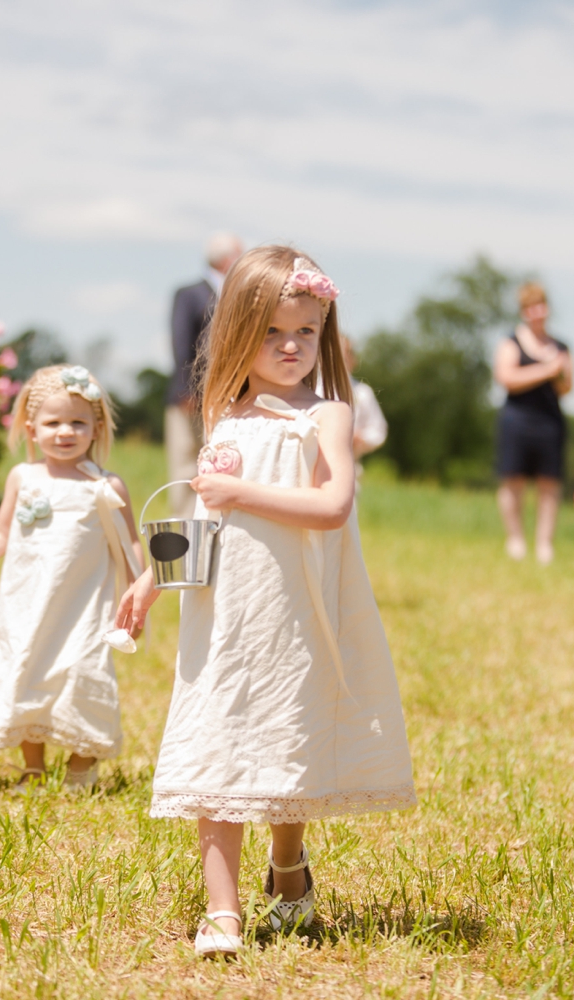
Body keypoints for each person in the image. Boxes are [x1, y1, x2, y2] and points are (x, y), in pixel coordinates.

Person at [117, 245, 415, 957]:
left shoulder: (327, 417)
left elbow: (333, 505)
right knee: (217, 739)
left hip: (294, 612)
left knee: (286, 733)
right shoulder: (224, 419)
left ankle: (287, 868)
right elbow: (205, 523)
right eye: (272, 333)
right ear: (236, 337)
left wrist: (241, 491)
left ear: (324, 334)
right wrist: (151, 579)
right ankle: (223, 911)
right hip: (225, 616)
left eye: (305, 333)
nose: (290, 347)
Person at [0, 365, 143, 792]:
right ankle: (33, 767)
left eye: (77, 422)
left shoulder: (104, 485)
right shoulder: (23, 478)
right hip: (27, 603)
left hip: (83, 608)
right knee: (26, 668)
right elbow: (2, 533)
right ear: (31, 428)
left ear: (97, 427)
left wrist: (139, 589)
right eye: (53, 422)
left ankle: (81, 764)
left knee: (82, 674)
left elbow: (130, 542)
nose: (65, 432)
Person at [494, 282, 574, 564]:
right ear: (524, 311)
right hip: (517, 419)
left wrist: (561, 373)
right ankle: (515, 540)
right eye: (531, 307)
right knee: (513, 480)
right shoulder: (511, 341)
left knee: (549, 484)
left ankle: (544, 545)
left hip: (550, 421)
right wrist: (547, 369)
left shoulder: (562, 346)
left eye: (540, 305)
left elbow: (567, 388)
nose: (537, 311)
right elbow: (507, 378)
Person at [166, 232, 243, 517]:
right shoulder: (189, 294)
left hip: (228, 397)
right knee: (187, 462)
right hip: (192, 396)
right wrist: (186, 389)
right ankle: (186, 528)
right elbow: (180, 341)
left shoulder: (240, 295)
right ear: (226, 259)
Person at [340, 334, 388, 470]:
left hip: (349, 465)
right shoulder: (310, 388)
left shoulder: (363, 392)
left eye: (346, 354)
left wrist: (361, 438)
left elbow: (378, 430)